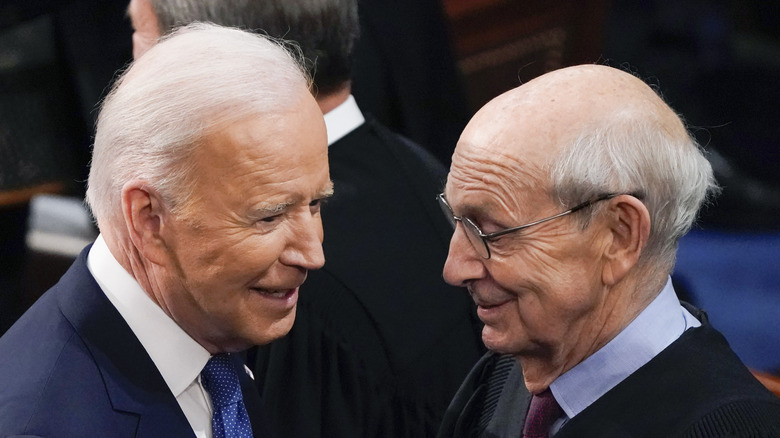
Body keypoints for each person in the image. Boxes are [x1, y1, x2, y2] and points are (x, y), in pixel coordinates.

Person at [127, 0, 485, 436]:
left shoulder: (282, 281)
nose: (131, 69)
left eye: (141, 38)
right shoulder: (429, 175)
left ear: (211, 66)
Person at [0, 22, 331, 437]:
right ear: (148, 219)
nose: (312, 255)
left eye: (315, 203)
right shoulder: (44, 423)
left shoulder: (211, 334)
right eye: (269, 217)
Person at [436, 64, 780, 437]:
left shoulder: (726, 429)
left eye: (492, 232)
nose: (455, 268)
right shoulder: (510, 370)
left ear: (618, 236)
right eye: (456, 220)